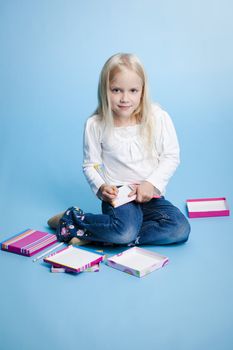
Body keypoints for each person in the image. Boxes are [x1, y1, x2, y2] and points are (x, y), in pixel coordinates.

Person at [47, 53, 190, 246]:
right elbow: (91, 165)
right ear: (104, 90)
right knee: (125, 232)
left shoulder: (158, 117)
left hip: (149, 194)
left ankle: (101, 234)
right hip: (119, 195)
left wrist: (151, 183)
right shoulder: (96, 124)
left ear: (142, 91)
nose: (125, 98)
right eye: (116, 90)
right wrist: (101, 187)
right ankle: (72, 219)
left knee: (180, 229)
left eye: (133, 90)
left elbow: (171, 156)